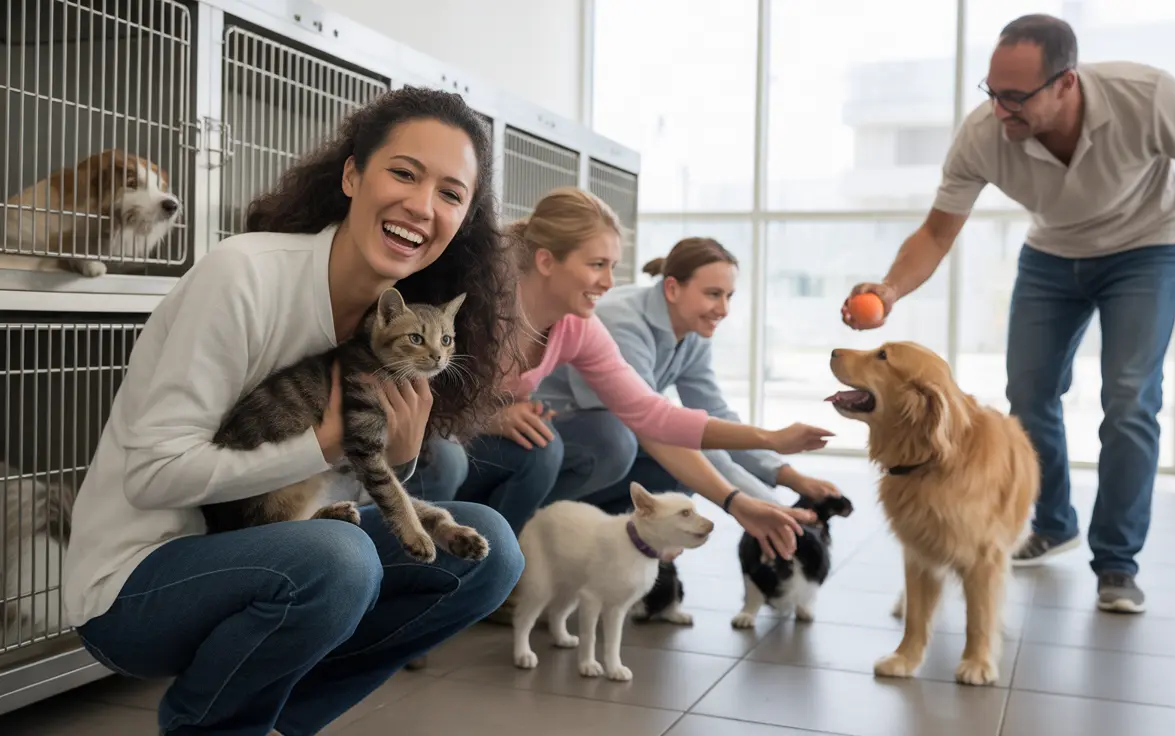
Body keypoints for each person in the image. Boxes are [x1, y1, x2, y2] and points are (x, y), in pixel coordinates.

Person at [63, 87, 526, 735]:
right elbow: (151, 476)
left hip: (266, 545)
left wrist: (393, 457)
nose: (422, 206)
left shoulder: (398, 318)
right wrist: (329, 443)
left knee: (492, 552)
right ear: (351, 175)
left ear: (465, 219)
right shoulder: (243, 275)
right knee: (339, 558)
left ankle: (277, 720)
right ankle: (212, 726)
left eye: (451, 194)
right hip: (136, 581)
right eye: (403, 172)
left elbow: (317, 485)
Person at [843, 14, 1175, 615]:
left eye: (1016, 96)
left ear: (1066, 82)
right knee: (1029, 393)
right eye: (992, 92)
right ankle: (1054, 521)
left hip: (1146, 248)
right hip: (1053, 256)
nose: (999, 109)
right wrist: (891, 289)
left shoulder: (1148, 97)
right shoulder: (984, 134)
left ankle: (1116, 561)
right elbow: (936, 232)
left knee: (1130, 396)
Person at [405, 187, 835, 562]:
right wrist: (491, 417)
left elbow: (652, 415)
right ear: (546, 261)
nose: (609, 282)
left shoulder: (577, 325)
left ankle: (491, 564)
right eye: (597, 265)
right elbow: (415, 387)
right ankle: (409, 577)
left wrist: (760, 460)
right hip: (422, 426)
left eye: (613, 266)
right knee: (446, 457)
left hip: (479, 432)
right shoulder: (481, 302)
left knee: (546, 449)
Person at [534, 236, 841, 514]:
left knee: (678, 476)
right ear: (672, 288)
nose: (723, 309)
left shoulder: (693, 331)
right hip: (555, 435)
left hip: (618, 442)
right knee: (629, 443)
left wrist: (788, 476)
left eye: (729, 296)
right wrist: (766, 506)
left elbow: (714, 414)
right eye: (713, 294)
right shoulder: (620, 320)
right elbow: (661, 428)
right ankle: (536, 520)